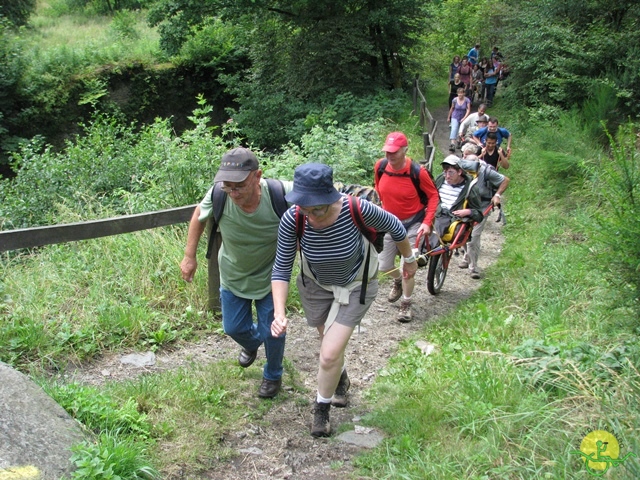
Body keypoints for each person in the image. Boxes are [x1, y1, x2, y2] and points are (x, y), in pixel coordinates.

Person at [271, 163, 417, 437]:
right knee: (328, 343)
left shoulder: (356, 209)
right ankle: (341, 377)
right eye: (305, 208)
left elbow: (395, 226)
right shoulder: (293, 218)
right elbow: (280, 267)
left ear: (331, 197)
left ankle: (321, 410)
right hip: (314, 285)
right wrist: (279, 313)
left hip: (356, 285)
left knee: (327, 354)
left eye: (318, 209)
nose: (311, 216)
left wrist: (408, 259)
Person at [180, 147, 292, 399]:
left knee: (273, 331)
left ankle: (273, 375)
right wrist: (189, 256)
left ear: (257, 176)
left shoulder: (280, 192)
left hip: (271, 276)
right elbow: (199, 214)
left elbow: (316, 200)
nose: (233, 193)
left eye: (238, 186)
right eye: (227, 187)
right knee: (232, 327)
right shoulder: (218, 195)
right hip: (232, 272)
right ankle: (252, 343)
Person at [374, 132, 439, 322]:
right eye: (387, 152)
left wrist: (427, 223)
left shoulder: (418, 172)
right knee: (383, 265)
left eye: (394, 152)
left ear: (405, 150)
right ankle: (397, 282)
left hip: (413, 223)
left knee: (407, 267)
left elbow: (434, 196)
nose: (390, 156)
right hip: (389, 222)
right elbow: (378, 188)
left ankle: (406, 304)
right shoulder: (381, 166)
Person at [458, 154, 510, 279]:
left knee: (474, 236)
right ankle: (467, 256)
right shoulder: (461, 170)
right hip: (465, 206)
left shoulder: (486, 171)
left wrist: (497, 195)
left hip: (482, 207)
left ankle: (473, 267)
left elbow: (505, 180)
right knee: (461, 234)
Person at [426, 156, 484, 252]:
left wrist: (468, 211)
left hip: (449, 216)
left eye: (451, 172)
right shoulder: (441, 179)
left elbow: (479, 215)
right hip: (435, 210)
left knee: (438, 224)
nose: (447, 176)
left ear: (459, 172)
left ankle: (425, 252)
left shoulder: (470, 188)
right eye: (445, 172)